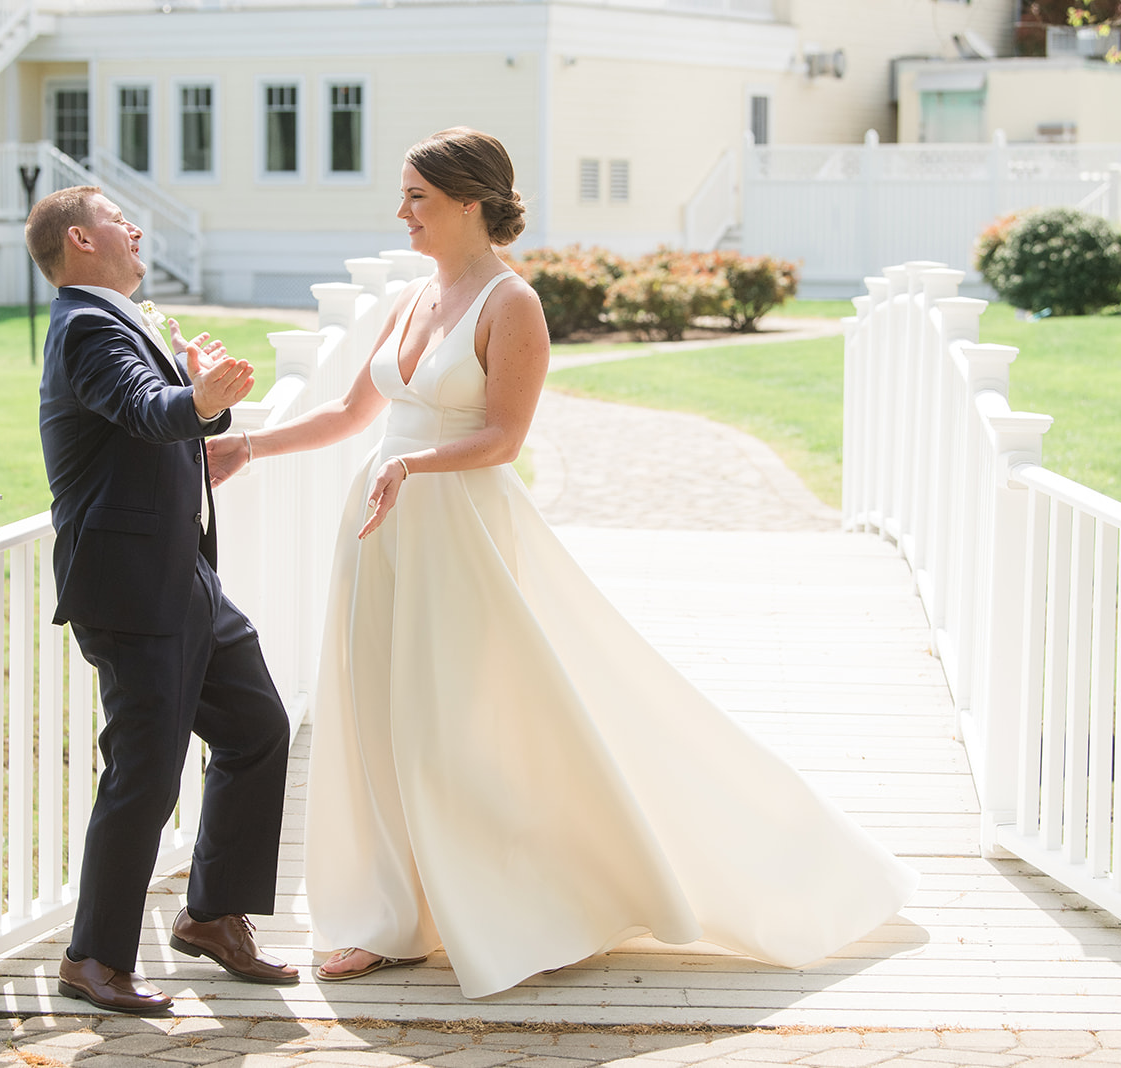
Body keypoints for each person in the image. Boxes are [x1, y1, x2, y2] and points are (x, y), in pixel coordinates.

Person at [206, 128, 918, 999]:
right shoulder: (407, 298)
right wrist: (248, 446)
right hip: (381, 529)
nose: (402, 213)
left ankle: (532, 902)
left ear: (471, 203)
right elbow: (353, 414)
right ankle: (389, 919)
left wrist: (413, 464)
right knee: (376, 718)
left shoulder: (513, 306)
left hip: (460, 530)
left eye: (417, 198)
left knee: (460, 724)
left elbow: (502, 438)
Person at [27, 185, 299, 1015]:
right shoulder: (83, 326)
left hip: (182, 577)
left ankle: (213, 914)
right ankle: (93, 959)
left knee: (258, 730)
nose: (135, 227)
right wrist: (195, 397)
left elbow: (160, 417)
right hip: (132, 588)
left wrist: (199, 394)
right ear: (80, 239)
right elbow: (145, 413)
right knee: (145, 775)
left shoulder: (118, 318)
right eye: (118, 218)